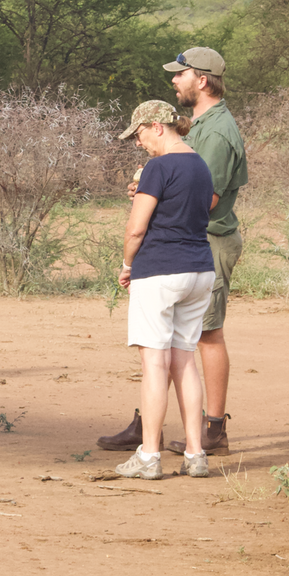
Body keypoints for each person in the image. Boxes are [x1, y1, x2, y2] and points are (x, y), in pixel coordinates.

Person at [98, 48, 248, 456]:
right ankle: (152, 424)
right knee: (177, 342)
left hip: (203, 238)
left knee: (206, 334)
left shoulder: (215, 132)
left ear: (202, 80)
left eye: (180, 75)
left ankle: (211, 428)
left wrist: (154, 197)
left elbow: (206, 199)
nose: (174, 81)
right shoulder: (199, 126)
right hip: (194, 242)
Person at [112, 101, 216, 480]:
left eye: (139, 134)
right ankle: (195, 452)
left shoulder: (158, 166)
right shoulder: (200, 164)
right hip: (200, 270)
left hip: (160, 270)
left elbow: (136, 228)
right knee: (185, 359)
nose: (138, 143)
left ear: (156, 126)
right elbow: (192, 208)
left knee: (154, 363)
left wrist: (127, 265)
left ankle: (149, 456)